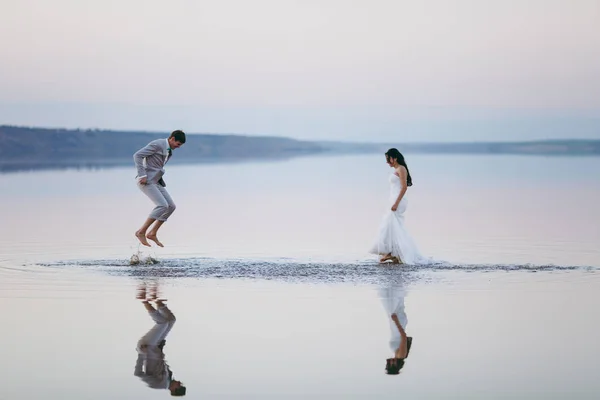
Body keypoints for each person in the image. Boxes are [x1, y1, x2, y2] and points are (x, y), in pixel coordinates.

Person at [369, 148, 429, 264]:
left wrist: (396, 203)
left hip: (398, 200)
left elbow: (404, 187)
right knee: (392, 226)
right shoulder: (397, 169)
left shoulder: (401, 169)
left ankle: (392, 252)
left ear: (395, 158)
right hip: (393, 199)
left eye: (388, 159)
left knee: (391, 224)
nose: (387, 162)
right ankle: (394, 253)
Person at [133, 130, 186, 247]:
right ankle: (141, 232)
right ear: (172, 139)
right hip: (146, 181)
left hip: (156, 181)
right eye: (178, 144)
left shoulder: (168, 150)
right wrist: (142, 174)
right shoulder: (158, 144)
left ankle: (152, 233)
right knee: (162, 205)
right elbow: (137, 155)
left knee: (171, 207)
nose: (178, 147)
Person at [134, 283, 187, 396]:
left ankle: (144, 300)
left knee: (163, 323)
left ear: (173, 390)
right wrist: (161, 347)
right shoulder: (168, 378)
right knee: (171, 320)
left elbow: (138, 374)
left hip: (146, 347)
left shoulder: (158, 384)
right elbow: (159, 362)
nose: (178, 382)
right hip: (155, 346)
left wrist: (142, 354)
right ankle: (157, 301)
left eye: (179, 385)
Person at [379, 283, 413, 375]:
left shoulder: (397, 354)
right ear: (396, 365)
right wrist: (396, 321)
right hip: (398, 324)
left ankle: (393, 274)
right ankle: (394, 275)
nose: (390, 362)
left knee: (394, 298)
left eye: (389, 364)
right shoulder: (401, 355)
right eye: (391, 365)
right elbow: (404, 337)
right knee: (390, 297)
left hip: (396, 324)